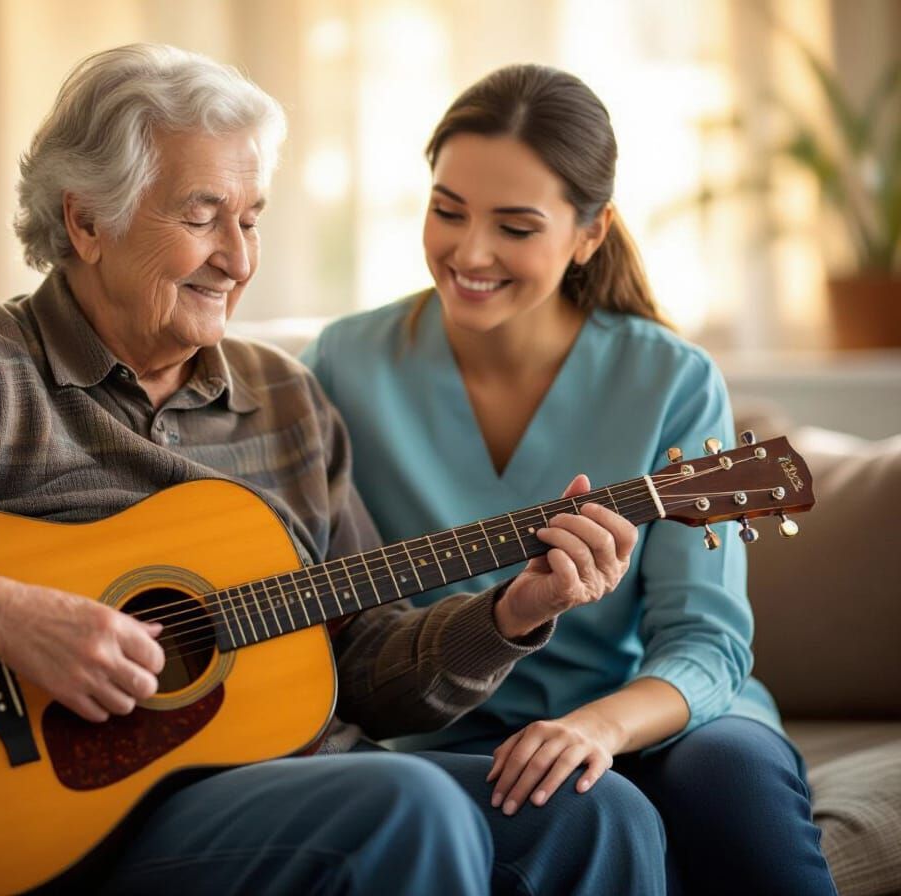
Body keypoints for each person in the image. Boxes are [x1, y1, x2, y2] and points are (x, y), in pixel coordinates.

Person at [0, 45, 666, 895]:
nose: (237, 258)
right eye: (201, 217)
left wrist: (513, 615)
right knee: (405, 807)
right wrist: (0, 614)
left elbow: (369, 665)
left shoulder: (288, 402)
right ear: (87, 220)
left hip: (299, 780)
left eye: (251, 219)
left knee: (599, 815)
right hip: (82, 818)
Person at [302, 62, 837, 896]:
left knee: (729, 777)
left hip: (643, 714)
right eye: (447, 211)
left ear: (590, 233)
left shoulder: (673, 378)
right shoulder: (343, 363)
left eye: (516, 227)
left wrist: (594, 729)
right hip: (440, 733)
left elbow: (705, 640)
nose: (469, 252)